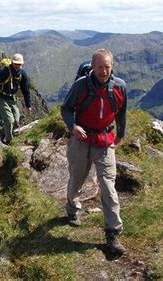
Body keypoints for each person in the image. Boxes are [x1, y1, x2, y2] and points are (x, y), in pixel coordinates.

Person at [61, 49, 127, 255]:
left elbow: (122, 112)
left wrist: (121, 134)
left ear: (112, 67)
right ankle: (72, 208)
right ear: (93, 67)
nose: (104, 71)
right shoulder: (81, 85)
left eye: (107, 67)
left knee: (108, 185)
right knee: (76, 180)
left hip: (104, 140)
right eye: (100, 67)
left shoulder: (119, 87)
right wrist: (73, 126)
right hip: (81, 140)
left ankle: (112, 233)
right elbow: (65, 108)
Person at [0, 53, 32, 144]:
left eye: (19, 64)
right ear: (12, 63)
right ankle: (9, 141)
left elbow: (26, 90)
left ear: (22, 64)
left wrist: (28, 105)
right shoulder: (4, 72)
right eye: (15, 64)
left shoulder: (23, 74)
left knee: (17, 120)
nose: (17, 66)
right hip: (1, 97)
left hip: (12, 98)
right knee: (9, 120)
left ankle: (8, 134)